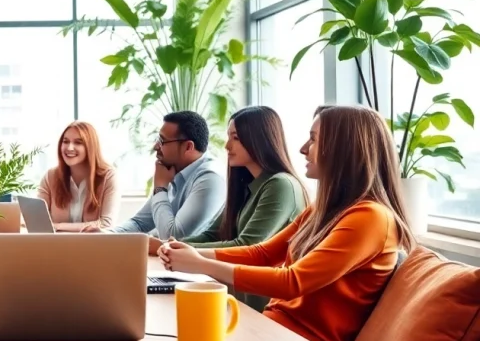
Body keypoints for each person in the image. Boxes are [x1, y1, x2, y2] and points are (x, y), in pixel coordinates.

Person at [158, 105, 416, 341]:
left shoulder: (370, 218)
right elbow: (263, 253)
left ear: (343, 149)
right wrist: (195, 256)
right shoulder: (324, 209)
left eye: (313, 139)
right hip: (277, 332)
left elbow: (293, 282)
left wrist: (202, 263)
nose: (303, 148)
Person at [174, 106, 309, 311]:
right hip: (234, 296)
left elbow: (249, 245)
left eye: (235, 137)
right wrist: (170, 246)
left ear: (259, 139)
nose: (227, 145)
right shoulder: (246, 186)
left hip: (262, 306)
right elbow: (210, 235)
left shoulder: (281, 185)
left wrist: (185, 253)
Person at [89, 111, 225, 238]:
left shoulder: (210, 178)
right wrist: (107, 235)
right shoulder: (174, 170)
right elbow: (139, 223)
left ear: (188, 147)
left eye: (162, 141)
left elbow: (172, 236)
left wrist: (160, 188)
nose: (155, 146)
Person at [36, 121, 120, 231]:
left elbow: (106, 224)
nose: (69, 147)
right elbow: (38, 221)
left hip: (93, 246)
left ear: (90, 147)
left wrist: (59, 226)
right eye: (65, 142)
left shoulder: (108, 176)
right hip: (56, 245)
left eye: (78, 142)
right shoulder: (50, 176)